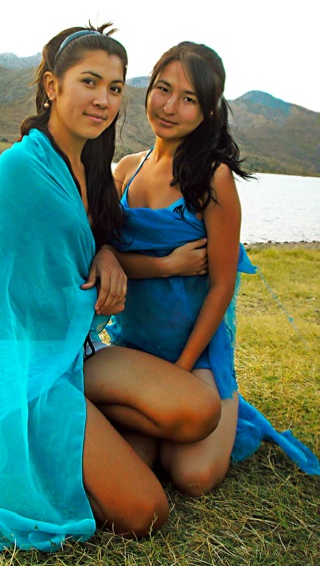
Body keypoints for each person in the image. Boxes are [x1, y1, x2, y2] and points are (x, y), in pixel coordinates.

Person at [0, 24, 179, 555]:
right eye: (90, 81)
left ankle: (89, 435)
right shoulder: (22, 168)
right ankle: (67, 443)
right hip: (22, 366)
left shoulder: (89, 163)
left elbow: (85, 241)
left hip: (73, 353)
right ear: (51, 86)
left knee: (193, 411)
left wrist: (108, 253)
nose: (103, 99)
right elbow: (2, 296)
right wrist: (104, 283)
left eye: (115, 88)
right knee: (146, 513)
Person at [84, 41, 320, 496]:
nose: (170, 107)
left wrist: (183, 369)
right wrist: (167, 263)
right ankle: (156, 416)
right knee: (133, 463)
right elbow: (103, 257)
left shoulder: (212, 178)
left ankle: (200, 408)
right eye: (162, 89)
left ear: (208, 111)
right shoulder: (125, 171)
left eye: (188, 99)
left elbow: (221, 287)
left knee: (192, 477)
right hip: (136, 346)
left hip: (195, 355)